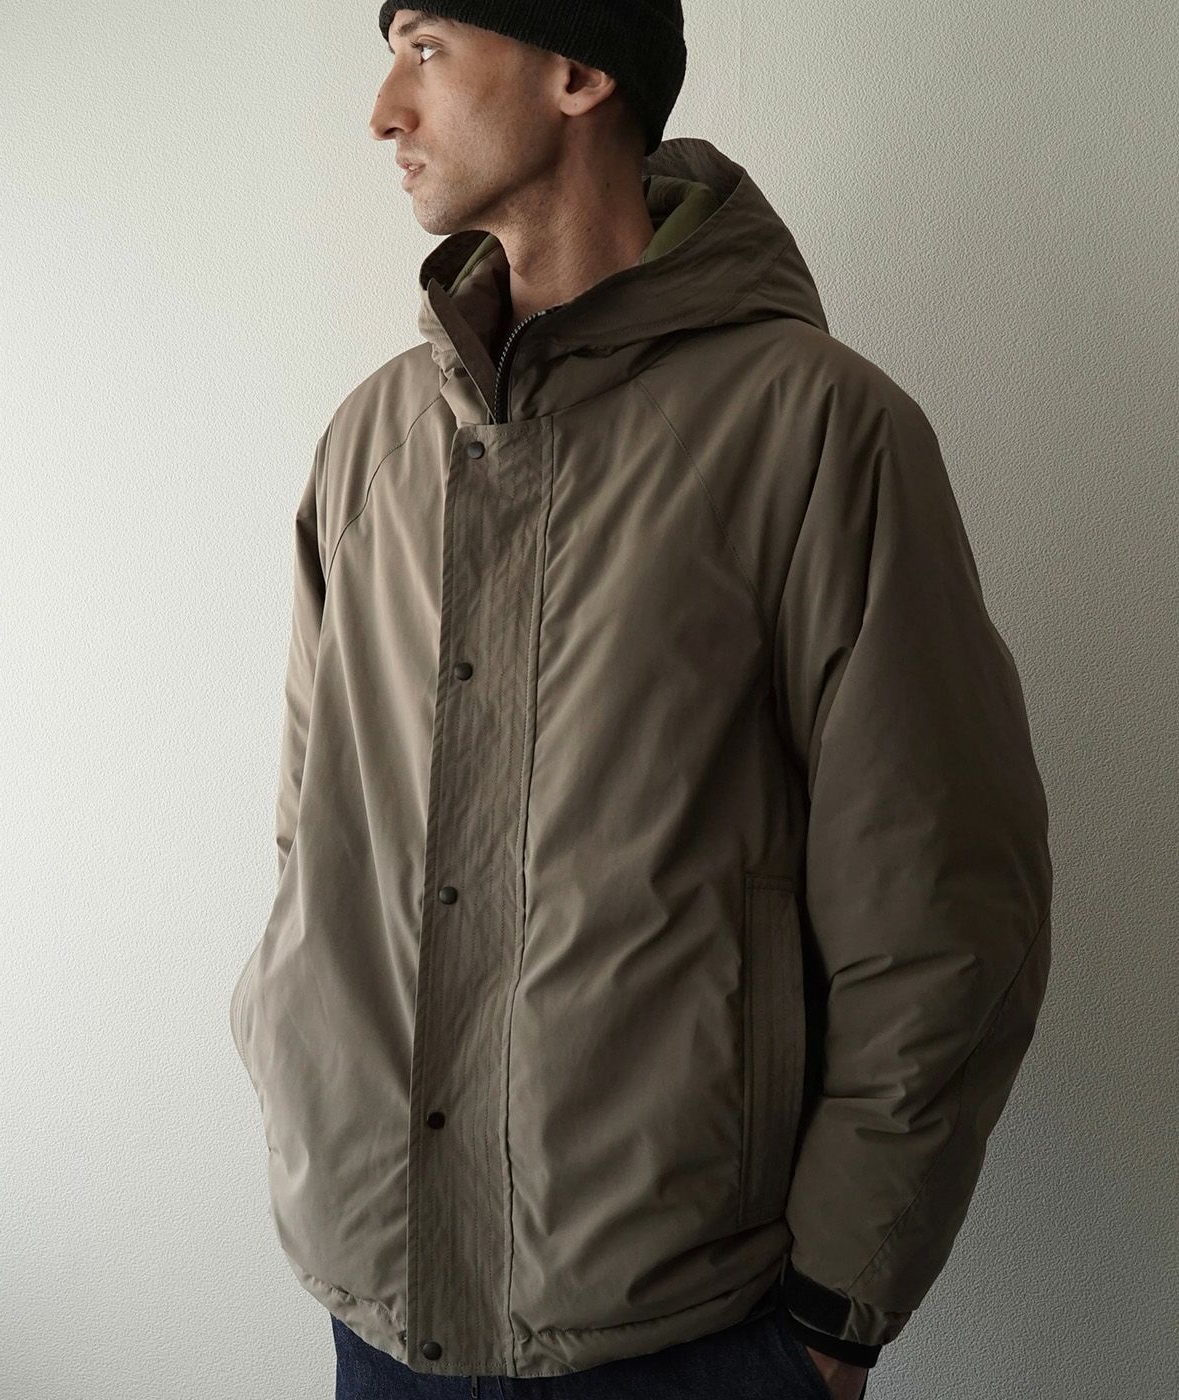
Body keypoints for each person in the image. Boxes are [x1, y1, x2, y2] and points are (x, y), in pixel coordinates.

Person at [227, 5, 1053, 1399]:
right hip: (381, 1305)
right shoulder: (373, 442)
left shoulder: (816, 433)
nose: (382, 110)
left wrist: (835, 1314)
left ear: (578, 70)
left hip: (691, 1337)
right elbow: (314, 841)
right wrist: (297, 1067)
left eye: (424, 49)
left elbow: (941, 906)